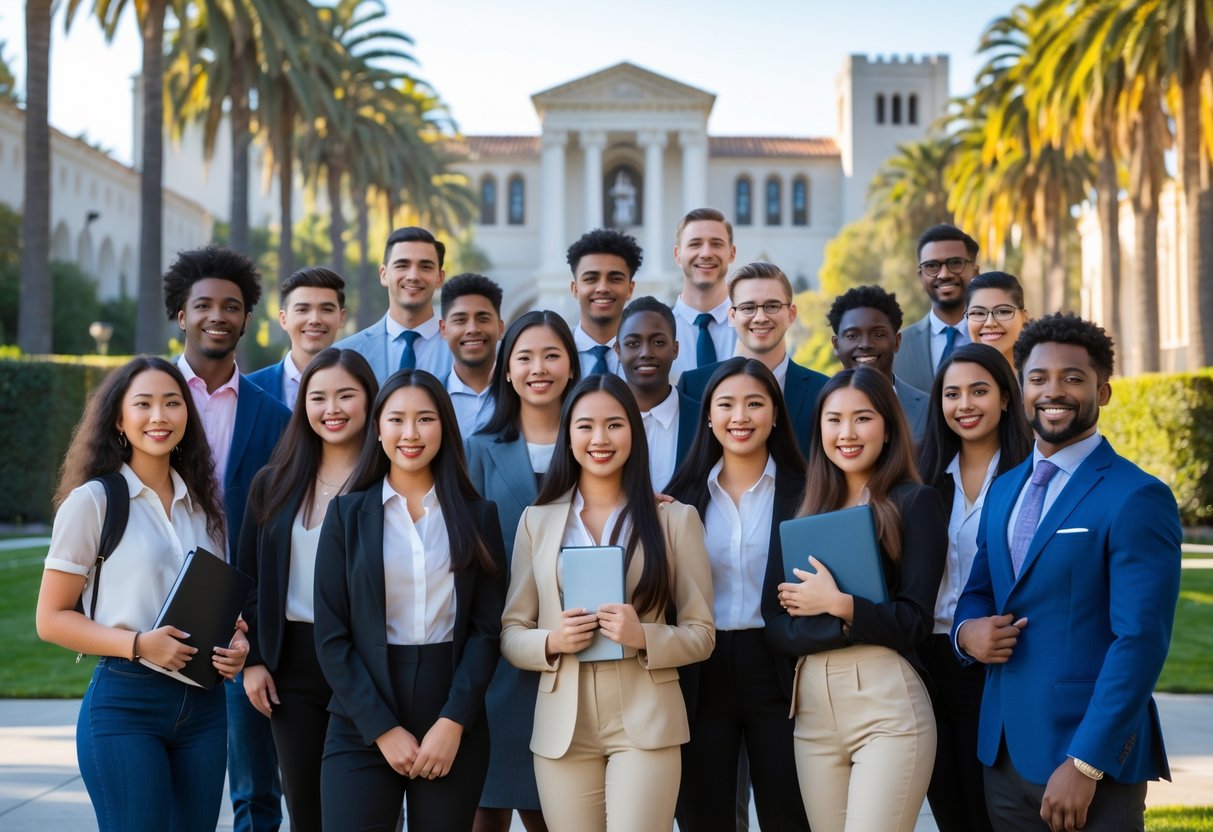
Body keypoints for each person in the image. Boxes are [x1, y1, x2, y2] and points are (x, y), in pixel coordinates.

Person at [953, 314, 1182, 832]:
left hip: (1086, 765)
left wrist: (1086, 762)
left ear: (1102, 392)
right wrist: (968, 634)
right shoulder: (1006, 488)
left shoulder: (1137, 497)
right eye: (1038, 378)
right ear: (1021, 388)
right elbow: (980, 591)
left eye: (1072, 378)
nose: (1052, 391)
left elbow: (1140, 641)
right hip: (1003, 757)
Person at [35, 356, 249, 832]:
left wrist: (237, 645)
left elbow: (218, 606)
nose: (160, 416)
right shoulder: (93, 502)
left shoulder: (204, 505)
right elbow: (50, 619)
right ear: (119, 419)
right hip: (126, 705)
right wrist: (138, 644)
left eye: (173, 403)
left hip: (205, 709)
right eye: (144, 404)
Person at [500, 374, 715, 832]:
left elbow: (702, 635)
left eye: (615, 425)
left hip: (646, 720)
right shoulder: (535, 522)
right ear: (568, 435)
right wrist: (551, 642)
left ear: (634, 434)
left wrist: (645, 637)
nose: (600, 439)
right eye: (585, 426)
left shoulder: (674, 520)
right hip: (564, 727)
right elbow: (511, 632)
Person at [314, 370, 507, 831]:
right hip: (362, 714)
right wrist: (381, 728)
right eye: (397, 419)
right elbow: (331, 636)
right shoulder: (346, 516)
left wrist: (454, 721)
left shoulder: (479, 516)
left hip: (450, 714)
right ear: (378, 428)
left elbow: (487, 629)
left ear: (444, 427)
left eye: (425, 419)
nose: (411, 433)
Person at [765, 366, 946, 832]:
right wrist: (836, 618)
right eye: (834, 419)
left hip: (887, 705)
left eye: (862, 418)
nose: (847, 433)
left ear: (887, 428)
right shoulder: (802, 510)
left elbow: (912, 622)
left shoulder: (915, 502)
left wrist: (838, 604)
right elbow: (777, 623)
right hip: (813, 712)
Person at [163, 245, 291, 832]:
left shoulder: (275, 417)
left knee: (256, 794)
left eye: (233, 306)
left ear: (246, 318)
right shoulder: (148, 399)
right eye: (205, 304)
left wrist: (260, 637)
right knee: (163, 793)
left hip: (243, 620)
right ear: (182, 314)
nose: (219, 315)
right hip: (155, 608)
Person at [665, 358, 811, 832]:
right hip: (701, 669)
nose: (740, 417)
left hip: (778, 665)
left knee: (788, 813)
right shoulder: (680, 497)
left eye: (754, 404)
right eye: (726, 404)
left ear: (775, 414)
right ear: (708, 416)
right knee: (705, 816)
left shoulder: (808, 491)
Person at [237, 348, 379, 832]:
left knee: (361, 810)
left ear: (369, 401)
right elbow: (249, 579)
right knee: (306, 812)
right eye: (318, 397)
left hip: (368, 663)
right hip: (292, 667)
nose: (331, 408)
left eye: (346, 395)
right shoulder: (272, 483)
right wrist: (254, 659)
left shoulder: (388, 485)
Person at [466, 310, 581, 832]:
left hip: (576, 652)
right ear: (506, 370)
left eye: (553, 355)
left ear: (572, 367)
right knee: (483, 808)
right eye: (526, 357)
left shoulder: (597, 445)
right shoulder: (478, 451)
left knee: (555, 813)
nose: (540, 368)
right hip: (495, 652)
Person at [914, 343, 1032, 832]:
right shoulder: (921, 480)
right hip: (929, 662)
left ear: (1006, 398)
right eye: (952, 393)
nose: (964, 405)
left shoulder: (1031, 477)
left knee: (995, 813)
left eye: (979, 391)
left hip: (1000, 661)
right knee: (951, 811)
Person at [678, 262, 828, 457]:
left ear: (791, 314)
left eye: (772, 306)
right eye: (748, 308)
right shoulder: (694, 387)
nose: (760, 317)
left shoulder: (822, 391)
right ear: (732, 316)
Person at [335, 226, 454, 381]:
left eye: (425, 267)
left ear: (439, 277)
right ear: (384, 275)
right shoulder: (347, 353)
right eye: (402, 265)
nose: (413, 276)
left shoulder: (460, 350)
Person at [615, 296, 699, 491]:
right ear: (618, 350)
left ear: (675, 349)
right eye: (633, 343)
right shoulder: (598, 420)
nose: (646, 352)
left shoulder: (703, 421)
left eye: (658, 342)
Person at [827, 284, 929, 442]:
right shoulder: (820, 407)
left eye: (878, 334)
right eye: (853, 335)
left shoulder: (929, 408)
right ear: (836, 345)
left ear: (896, 342)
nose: (865, 344)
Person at [894, 224, 980, 392]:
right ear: (921, 276)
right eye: (932, 266)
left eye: (955, 263)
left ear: (975, 272)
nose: (944, 274)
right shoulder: (898, 348)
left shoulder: (995, 337)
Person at [247, 266, 348, 408]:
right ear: (283, 319)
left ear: (342, 318)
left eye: (326, 309)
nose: (314, 319)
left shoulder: (357, 386)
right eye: (302, 310)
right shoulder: (249, 389)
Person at [669, 207, 738, 380]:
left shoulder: (749, 327)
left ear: (731, 253)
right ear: (677, 255)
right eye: (695, 244)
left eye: (716, 244)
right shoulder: (660, 331)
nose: (706, 253)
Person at [566, 228, 641, 377]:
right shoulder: (556, 352)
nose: (603, 288)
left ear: (630, 289)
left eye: (615, 279)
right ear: (575, 289)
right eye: (591, 279)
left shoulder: (646, 357)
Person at [439, 273, 506, 434]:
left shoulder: (521, 395)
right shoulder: (430, 399)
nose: (472, 329)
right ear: (443, 329)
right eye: (460, 320)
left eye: (483, 319)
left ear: (500, 327)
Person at [964, 271, 1029, 370]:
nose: (990, 323)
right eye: (978, 313)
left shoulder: (1044, 380)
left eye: (1003, 311)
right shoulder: (958, 381)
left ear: (1025, 318)